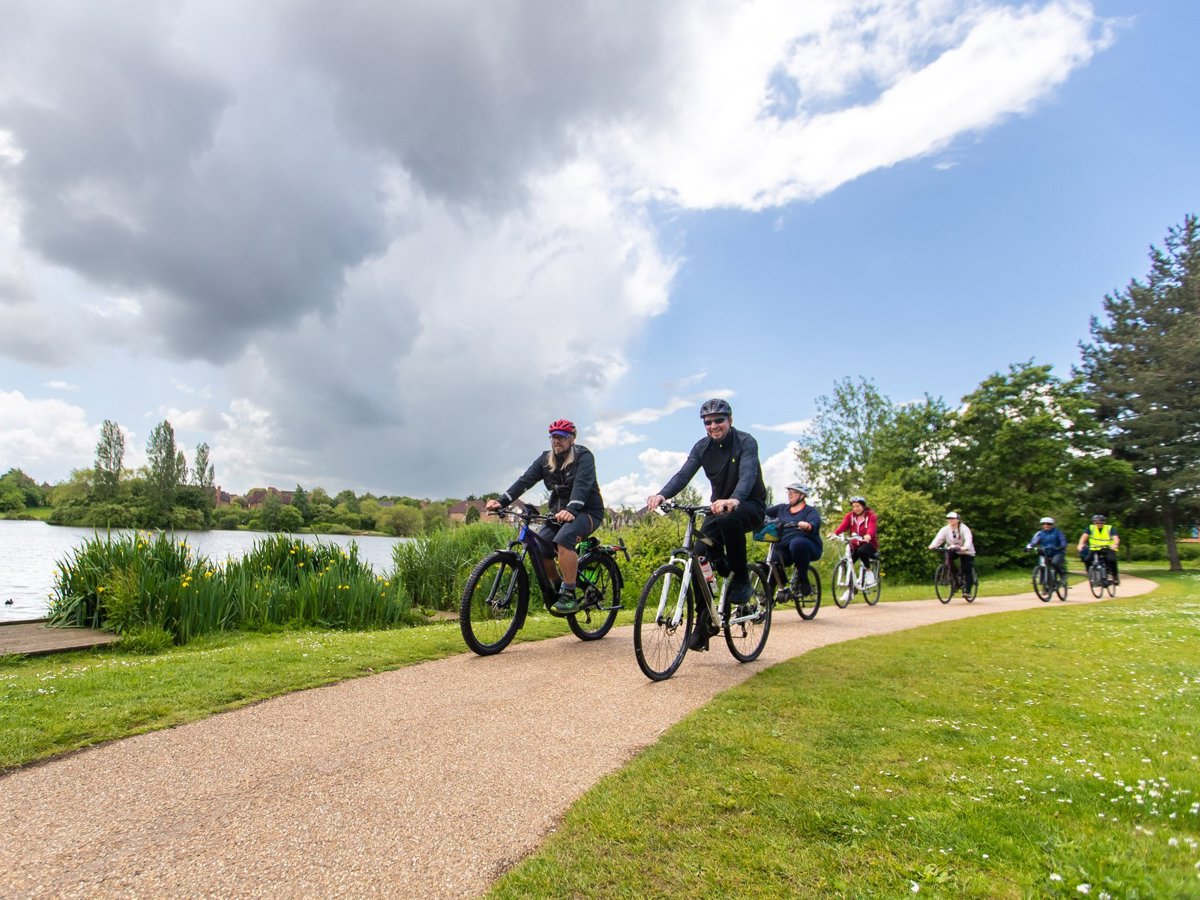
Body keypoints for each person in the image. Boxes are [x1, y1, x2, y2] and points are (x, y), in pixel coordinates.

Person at [646, 399, 767, 651]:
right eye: (708, 422)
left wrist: (735, 499)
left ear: (730, 420)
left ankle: (742, 578)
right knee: (699, 555)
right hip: (718, 507)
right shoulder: (702, 447)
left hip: (748, 505)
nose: (713, 426)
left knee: (729, 518)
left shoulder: (746, 442)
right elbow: (683, 474)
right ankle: (704, 624)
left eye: (719, 420)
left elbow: (747, 474)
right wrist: (662, 495)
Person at [485, 419, 604, 615]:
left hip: (587, 512)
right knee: (540, 548)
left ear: (572, 439)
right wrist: (501, 502)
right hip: (559, 514)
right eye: (554, 437)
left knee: (564, 539)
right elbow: (524, 481)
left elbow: (582, 486)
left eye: (562, 437)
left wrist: (572, 510)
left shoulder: (584, 456)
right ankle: (559, 587)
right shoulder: (545, 460)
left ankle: (569, 596)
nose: (557, 441)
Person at [765, 483, 822, 598]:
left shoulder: (809, 511)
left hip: (808, 547)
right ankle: (769, 595)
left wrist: (808, 525)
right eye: (789, 492)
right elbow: (763, 512)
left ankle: (803, 579)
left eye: (793, 492)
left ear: (802, 495)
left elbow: (815, 522)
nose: (790, 495)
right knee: (772, 559)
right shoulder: (781, 508)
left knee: (797, 543)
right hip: (785, 549)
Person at [832, 495, 878, 602]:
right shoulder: (850, 516)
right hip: (855, 544)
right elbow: (843, 526)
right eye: (854, 506)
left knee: (862, 551)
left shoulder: (871, 516)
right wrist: (835, 534)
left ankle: (869, 571)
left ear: (863, 506)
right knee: (849, 561)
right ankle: (851, 589)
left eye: (858, 506)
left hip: (869, 544)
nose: (856, 508)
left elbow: (872, 527)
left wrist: (869, 535)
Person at [928, 511, 976, 593]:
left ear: (958, 520)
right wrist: (932, 546)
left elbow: (968, 539)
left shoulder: (964, 529)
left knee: (967, 569)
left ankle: (968, 591)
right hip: (953, 549)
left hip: (966, 551)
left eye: (952, 519)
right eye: (948, 519)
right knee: (948, 559)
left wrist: (965, 547)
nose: (950, 520)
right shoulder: (945, 529)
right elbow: (939, 538)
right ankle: (954, 576)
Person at [1078, 514, 1120, 584]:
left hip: (1107, 548)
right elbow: (1084, 537)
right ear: (1093, 522)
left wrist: (1115, 544)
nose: (1099, 523)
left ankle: (1115, 576)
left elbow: (1115, 537)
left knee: (1112, 560)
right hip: (1094, 548)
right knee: (1087, 559)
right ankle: (1091, 574)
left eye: (1101, 522)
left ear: (1104, 522)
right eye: (1096, 522)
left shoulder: (1109, 528)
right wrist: (1080, 544)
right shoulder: (1090, 528)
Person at [1026, 516, 1067, 581]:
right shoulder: (1040, 533)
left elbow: (1063, 540)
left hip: (1057, 552)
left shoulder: (1057, 532)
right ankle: (1045, 584)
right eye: (1044, 524)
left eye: (1048, 524)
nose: (1046, 525)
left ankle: (1062, 574)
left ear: (1052, 525)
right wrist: (1028, 547)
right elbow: (1033, 541)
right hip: (1045, 552)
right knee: (1042, 565)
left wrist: (1062, 546)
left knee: (1055, 563)